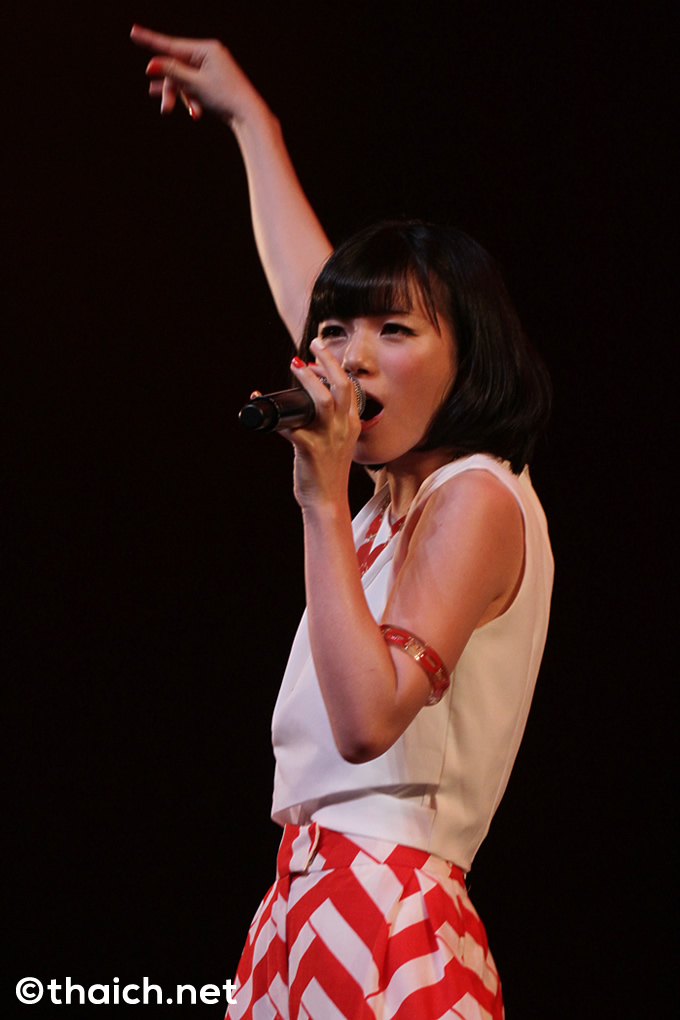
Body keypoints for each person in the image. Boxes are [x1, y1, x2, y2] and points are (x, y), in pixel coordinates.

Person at [131, 25, 554, 1020]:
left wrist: (320, 498)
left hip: (387, 907)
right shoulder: (394, 495)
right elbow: (310, 288)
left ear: (469, 359)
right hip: (301, 895)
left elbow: (367, 720)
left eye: (394, 331)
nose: (349, 359)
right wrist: (252, 122)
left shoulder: (477, 497)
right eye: (333, 334)